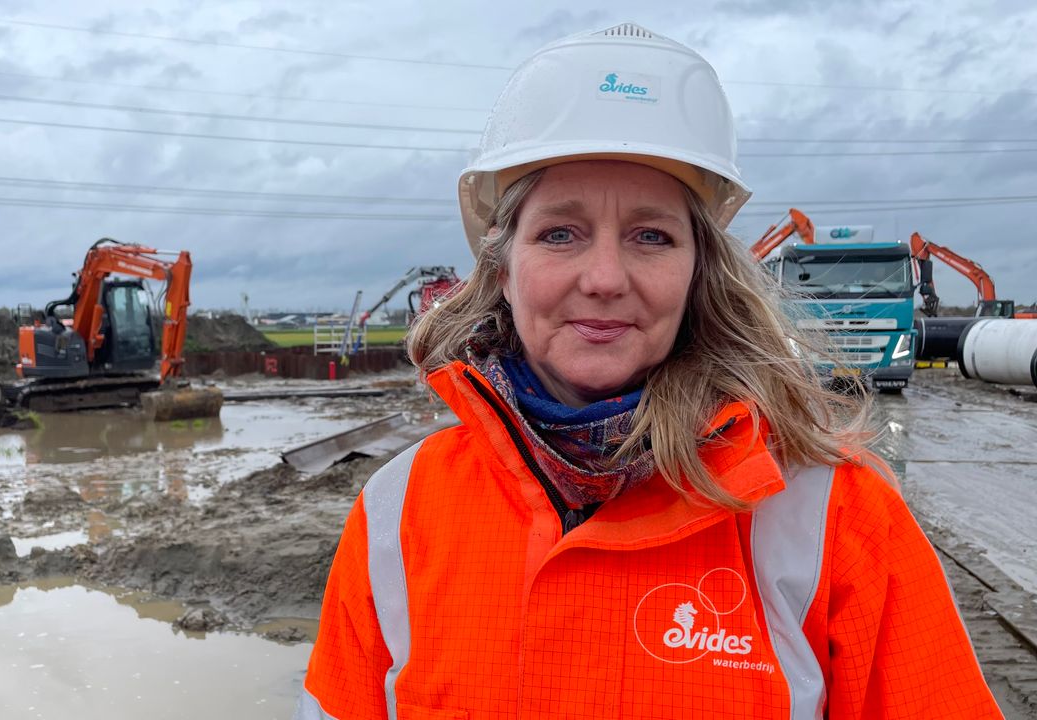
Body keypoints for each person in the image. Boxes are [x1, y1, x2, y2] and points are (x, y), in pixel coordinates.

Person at [295, 23, 1002, 720]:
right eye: (560, 233)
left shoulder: (835, 515)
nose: (604, 278)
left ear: (700, 272)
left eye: (651, 236)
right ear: (502, 270)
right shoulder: (399, 513)